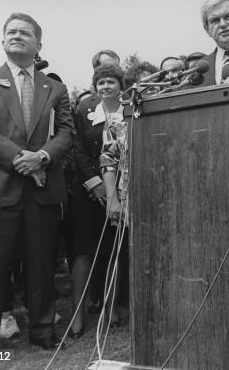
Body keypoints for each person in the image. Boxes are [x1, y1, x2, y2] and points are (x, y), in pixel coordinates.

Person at [0, 13, 74, 357]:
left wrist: (41, 156)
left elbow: (67, 133)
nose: (17, 36)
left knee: (41, 268)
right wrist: (20, 158)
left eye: (25, 32)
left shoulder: (54, 88)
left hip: (41, 192)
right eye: (10, 32)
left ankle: (43, 332)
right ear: (2, 42)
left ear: (39, 45)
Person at [68, 64, 126, 337]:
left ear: (120, 84)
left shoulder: (130, 111)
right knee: (83, 252)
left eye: (111, 82)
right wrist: (95, 183)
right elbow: (76, 148)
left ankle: (110, 306)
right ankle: (77, 313)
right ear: (95, 86)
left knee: (114, 250)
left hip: (121, 189)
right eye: (101, 82)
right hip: (88, 189)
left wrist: (113, 188)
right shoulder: (83, 112)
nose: (105, 87)